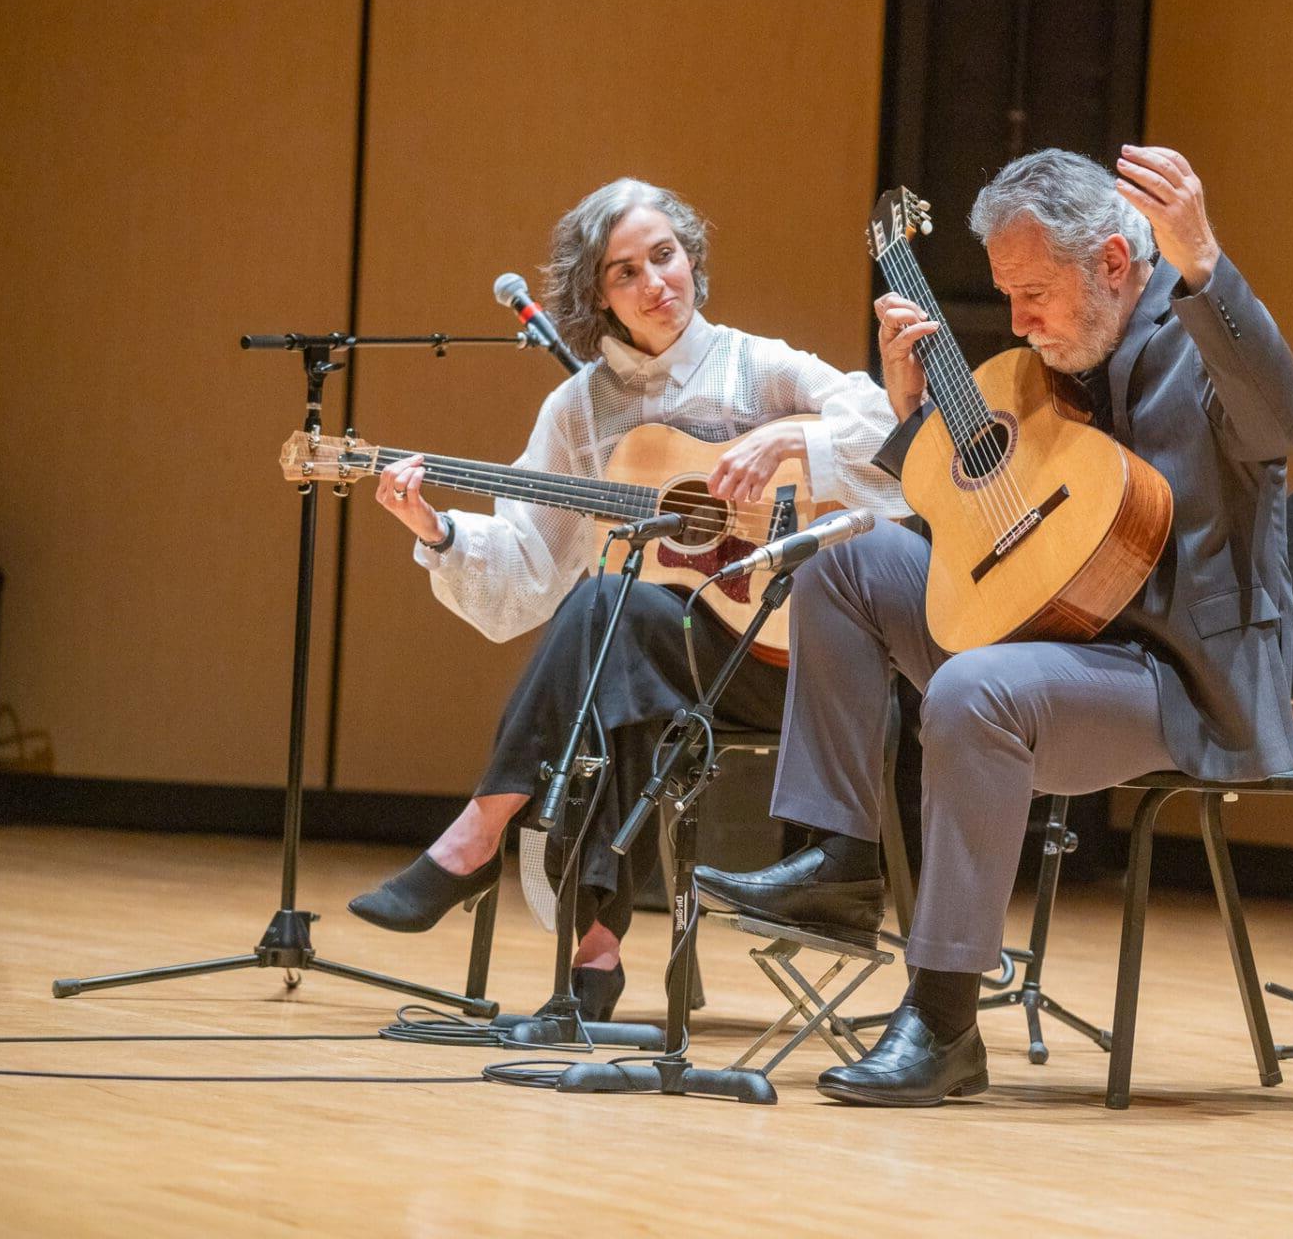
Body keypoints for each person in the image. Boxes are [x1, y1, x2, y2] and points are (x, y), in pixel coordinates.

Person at [695, 145, 1293, 1105]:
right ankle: (843, 860)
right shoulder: (1047, 368)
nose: (1017, 322)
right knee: (844, 564)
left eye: (1034, 294)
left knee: (974, 687)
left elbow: (1286, 421)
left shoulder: (1202, 344)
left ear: (1115, 263)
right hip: (1052, 638)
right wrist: (911, 417)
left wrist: (1205, 261)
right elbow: (998, 532)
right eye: (1006, 295)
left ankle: (942, 1022)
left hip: (1176, 678)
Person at [347, 177, 910, 1022]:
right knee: (613, 639)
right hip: (665, 666)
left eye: (665, 256)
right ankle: (595, 962)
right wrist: (438, 533)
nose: (656, 283)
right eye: (625, 273)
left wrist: (795, 436)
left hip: (792, 660)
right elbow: (532, 561)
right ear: (596, 297)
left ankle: (478, 837)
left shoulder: (757, 364)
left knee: (611, 613)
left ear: (690, 258)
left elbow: (892, 442)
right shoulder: (579, 411)